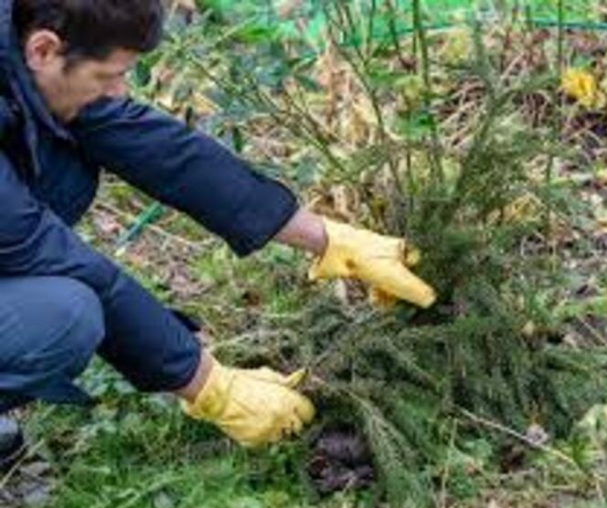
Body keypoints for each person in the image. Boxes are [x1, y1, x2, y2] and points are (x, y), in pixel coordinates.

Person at [0, 0, 436, 463]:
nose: (121, 92)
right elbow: (44, 249)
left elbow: (152, 145)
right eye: (108, 77)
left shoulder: (28, 48)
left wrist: (330, 238)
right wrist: (207, 382)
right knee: (62, 317)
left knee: (66, 160)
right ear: (43, 50)